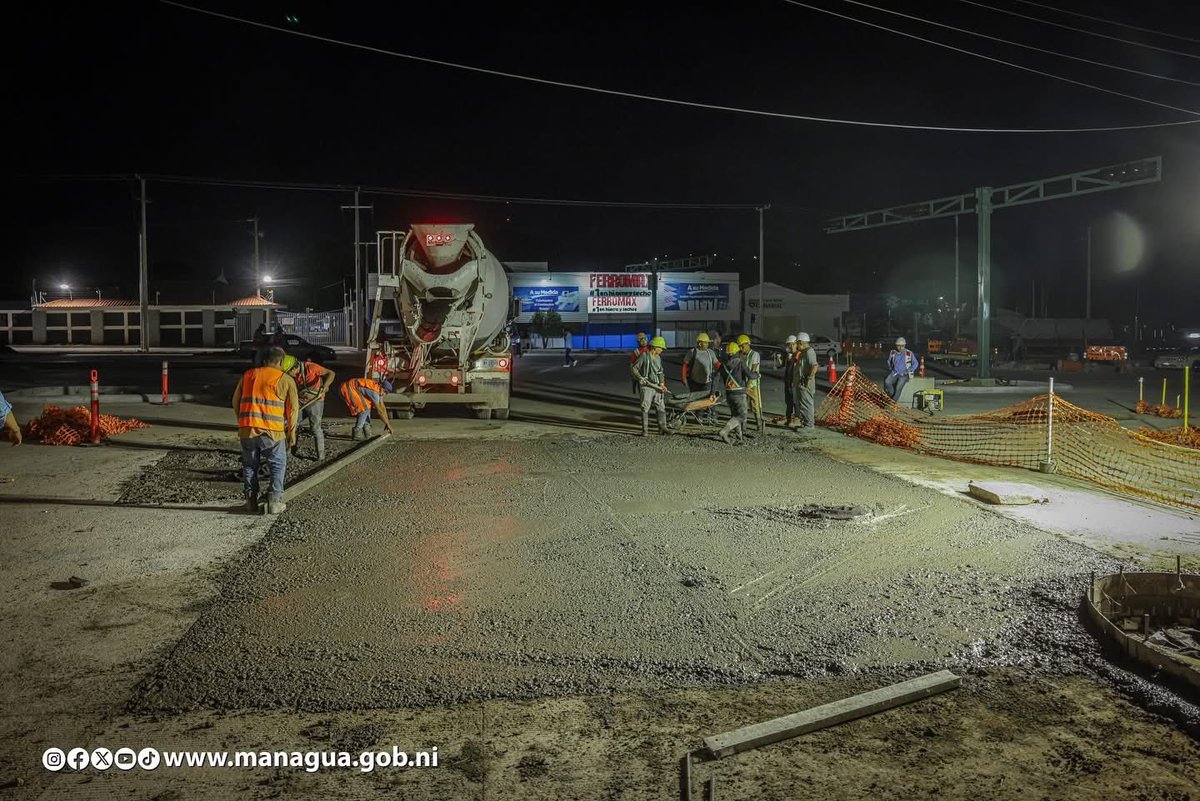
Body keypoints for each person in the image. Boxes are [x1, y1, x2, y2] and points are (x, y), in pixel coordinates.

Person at [232, 346, 298, 515]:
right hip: (272, 431)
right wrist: (291, 432)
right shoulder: (285, 379)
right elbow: (293, 410)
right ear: (281, 361)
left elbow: (235, 401)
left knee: (249, 466)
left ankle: (250, 502)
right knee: (277, 465)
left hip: (247, 429)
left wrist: (243, 420)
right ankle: (275, 502)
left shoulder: (248, 375)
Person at [283, 355, 335, 461]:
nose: (288, 375)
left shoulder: (311, 367)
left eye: (288, 372)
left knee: (315, 428)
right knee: (292, 424)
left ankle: (321, 457)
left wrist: (325, 386)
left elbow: (331, 373)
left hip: (316, 400)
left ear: (294, 368)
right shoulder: (294, 375)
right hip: (301, 400)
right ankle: (289, 451)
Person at [716, 342, 758, 445]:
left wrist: (713, 393)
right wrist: (756, 374)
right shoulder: (740, 363)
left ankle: (739, 437)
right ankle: (724, 431)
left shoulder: (723, 365)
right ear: (736, 352)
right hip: (739, 394)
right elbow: (751, 376)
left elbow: (715, 378)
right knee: (742, 416)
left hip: (729, 394)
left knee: (735, 415)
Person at [631, 335, 670, 436]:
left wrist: (662, 383)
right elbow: (634, 369)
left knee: (661, 407)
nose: (662, 350)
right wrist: (640, 378)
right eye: (660, 348)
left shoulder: (658, 358)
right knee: (645, 407)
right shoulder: (644, 356)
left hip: (657, 386)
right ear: (654, 347)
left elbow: (661, 372)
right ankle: (645, 431)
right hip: (647, 386)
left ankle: (662, 428)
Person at [340, 375, 395, 440]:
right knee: (364, 409)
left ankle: (367, 433)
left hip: (353, 388)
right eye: (384, 391)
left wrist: (387, 423)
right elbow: (379, 411)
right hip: (347, 388)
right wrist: (388, 424)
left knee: (367, 406)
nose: (384, 394)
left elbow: (382, 407)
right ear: (381, 387)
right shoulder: (374, 392)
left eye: (386, 393)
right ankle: (357, 432)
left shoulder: (379, 390)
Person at [682, 332, 720, 424]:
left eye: (707, 342)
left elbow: (717, 364)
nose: (707, 344)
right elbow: (685, 365)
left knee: (710, 399)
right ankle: (698, 417)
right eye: (705, 342)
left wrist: (724, 370)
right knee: (697, 400)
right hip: (694, 381)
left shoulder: (710, 352)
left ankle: (713, 416)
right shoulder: (692, 352)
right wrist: (684, 378)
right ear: (700, 343)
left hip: (708, 381)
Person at [737, 334, 764, 433]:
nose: (741, 348)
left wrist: (748, 386)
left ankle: (759, 426)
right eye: (739, 346)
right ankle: (743, 427)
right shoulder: (740, 355)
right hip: (743, 384)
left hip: (753, 385)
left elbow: (753, 372)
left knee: (755, 405)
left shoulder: (754, 355)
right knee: (743, 406)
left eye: (742, 346)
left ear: (747, 344)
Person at [793, 332, 820, 429]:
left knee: (807, 404)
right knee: (803, 404)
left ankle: (809, 425)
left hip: (806, 382)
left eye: (797, 343)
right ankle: (805, 424)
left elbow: (815, 366)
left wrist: (809, 379)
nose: (796, 345)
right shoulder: (803, 353)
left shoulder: (809, 352)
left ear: (801, 342)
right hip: (802, 382)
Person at [885, 336, 919, 401]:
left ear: (904, 345)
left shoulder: (909, 353)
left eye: (902, 346)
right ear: (896, 345)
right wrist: (890, 368)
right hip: (894, 373)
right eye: (898, 346)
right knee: (887, 382)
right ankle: (893, 396)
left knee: (898, 388)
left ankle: (893, 403)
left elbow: (916, 363)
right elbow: (889, 361)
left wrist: (909, 370)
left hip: (904, 374)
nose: (900, 347)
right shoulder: (893, 353)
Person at [781, 335, 799, 426]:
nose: (790, 347)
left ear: (796, 344)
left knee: (795, 400)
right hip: (788, 381)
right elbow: (786, 368)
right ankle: (788, 418)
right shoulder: (789, 355)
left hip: (794, 382)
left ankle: (797, 419)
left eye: (792, 344)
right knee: (788, 401)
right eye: (789, 345)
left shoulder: (799, 355)